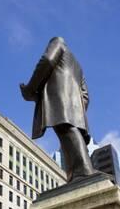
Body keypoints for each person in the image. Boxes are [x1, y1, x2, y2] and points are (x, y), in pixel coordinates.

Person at [20, 36, 98, 183]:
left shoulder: (58, 42)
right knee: (68, 132)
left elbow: (48, 61)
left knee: (65, 128)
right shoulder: (78, 67)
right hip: (76, 107)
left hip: (58, 96)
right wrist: (77, 111)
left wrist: (30, 89)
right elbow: (86, 95)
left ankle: (83, 171)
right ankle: (77, 173)